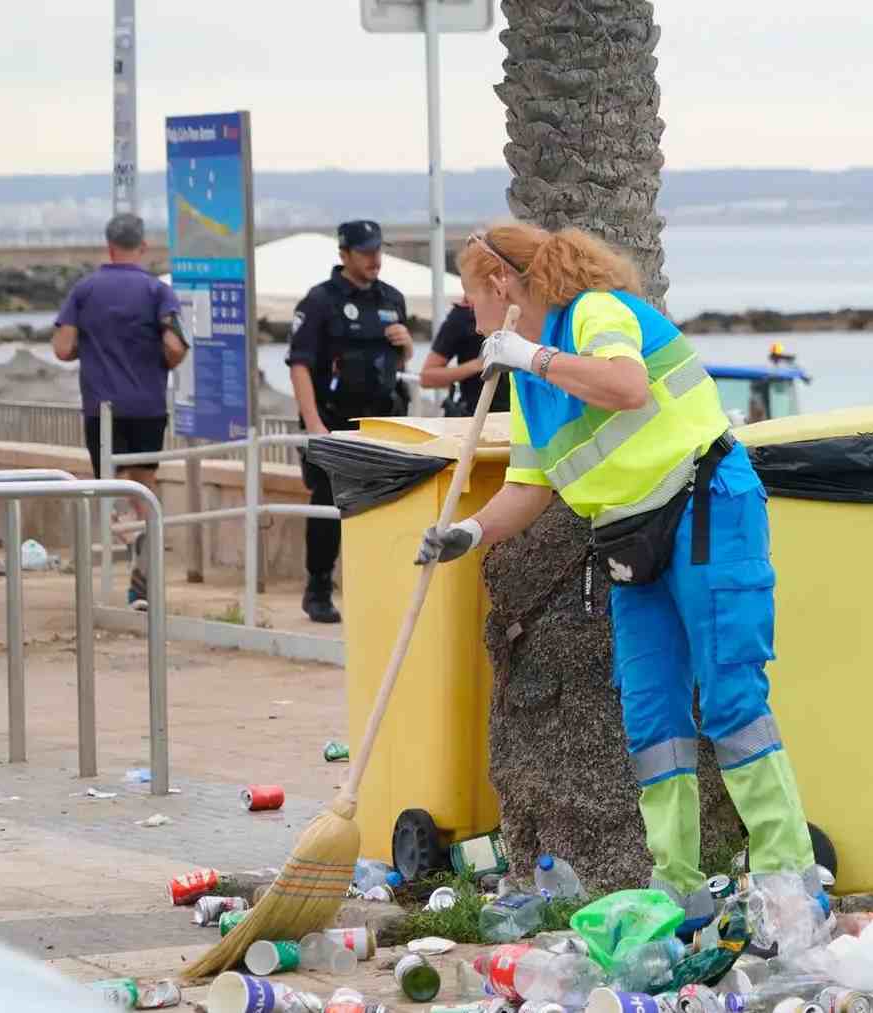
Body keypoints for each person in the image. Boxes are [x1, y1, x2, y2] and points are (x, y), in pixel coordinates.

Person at [416, 222, 822, 939]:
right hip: (633, 540)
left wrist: (534, 356)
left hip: (704, 505)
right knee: (652, 715)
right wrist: (469, 534)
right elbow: (529, 487)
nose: (468, 312)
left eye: (471, 293)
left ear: (504, 286)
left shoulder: (596, 314)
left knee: (731, 694)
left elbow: (628, 385)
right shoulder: (531, 384)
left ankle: (788, 879)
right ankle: (681, 890)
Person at [52, 212, 187, 611]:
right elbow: (177, 347)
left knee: (109, 487)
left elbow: (62, 348)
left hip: (103, 409)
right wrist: (157, 360)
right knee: (144, 485)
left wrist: (87, 347)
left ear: (108, 246)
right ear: (143, 247)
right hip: (147, 406)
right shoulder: (157, 292)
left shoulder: (85, 290)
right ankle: (143, 568)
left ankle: (129, 539)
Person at [286, 220, 416, 623]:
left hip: (381, 420)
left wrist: (407, 344)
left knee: (383, 506)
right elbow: (300, 365)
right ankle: (319, 588)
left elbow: (398, 363)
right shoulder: (320, 302)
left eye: (378, 250)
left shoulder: (392, 298)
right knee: (328, 505)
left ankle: (374, 590)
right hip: (332, 420)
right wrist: (313, 426)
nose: (374, 259)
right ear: (344, 255)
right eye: (365, 252)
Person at [419, 301, 511, 416]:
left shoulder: (518, 312)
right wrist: (478, 364)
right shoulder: (460, 317)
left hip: (518, 416)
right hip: (475, 415)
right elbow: (426, 377)